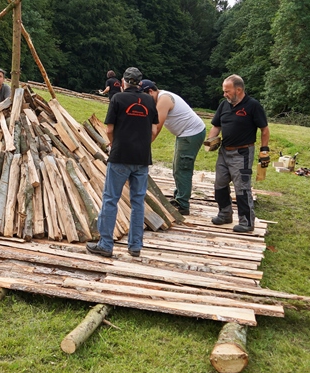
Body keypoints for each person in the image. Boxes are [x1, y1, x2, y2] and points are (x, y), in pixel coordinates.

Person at [86, 67, 158, 258]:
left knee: (111, 199)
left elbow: (110, 129)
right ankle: (135, 246)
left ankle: (106, 244)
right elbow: (153, 130)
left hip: (120, 155)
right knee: (138, 201)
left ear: (124, 81)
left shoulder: (118, 99)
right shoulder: (150, 100)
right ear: (140, 83)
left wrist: (113, 143)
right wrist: (143, 145)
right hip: (142, 158)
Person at [205, 74, 270, 233]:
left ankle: (247, 222)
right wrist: (210, 140)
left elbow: (264, 129)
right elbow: (216, 125)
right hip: (224, 152)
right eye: (224, 91)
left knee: (242, 187)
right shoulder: (224, 105)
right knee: (219, 184)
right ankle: (225, 214)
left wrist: (264, 150)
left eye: (227, 91)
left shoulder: (253, 105)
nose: (224, 94)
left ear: (238, 90)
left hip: (243, 153)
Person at [139, 79, 207, 216]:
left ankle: (183, 205)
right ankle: (179, 197)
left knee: (183, 168)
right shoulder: (159, 98)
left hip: (191, 133)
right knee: (177, 167)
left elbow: (156, 127)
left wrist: (143, 147)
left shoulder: (163, 100)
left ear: (150, 91)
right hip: (184, 133)